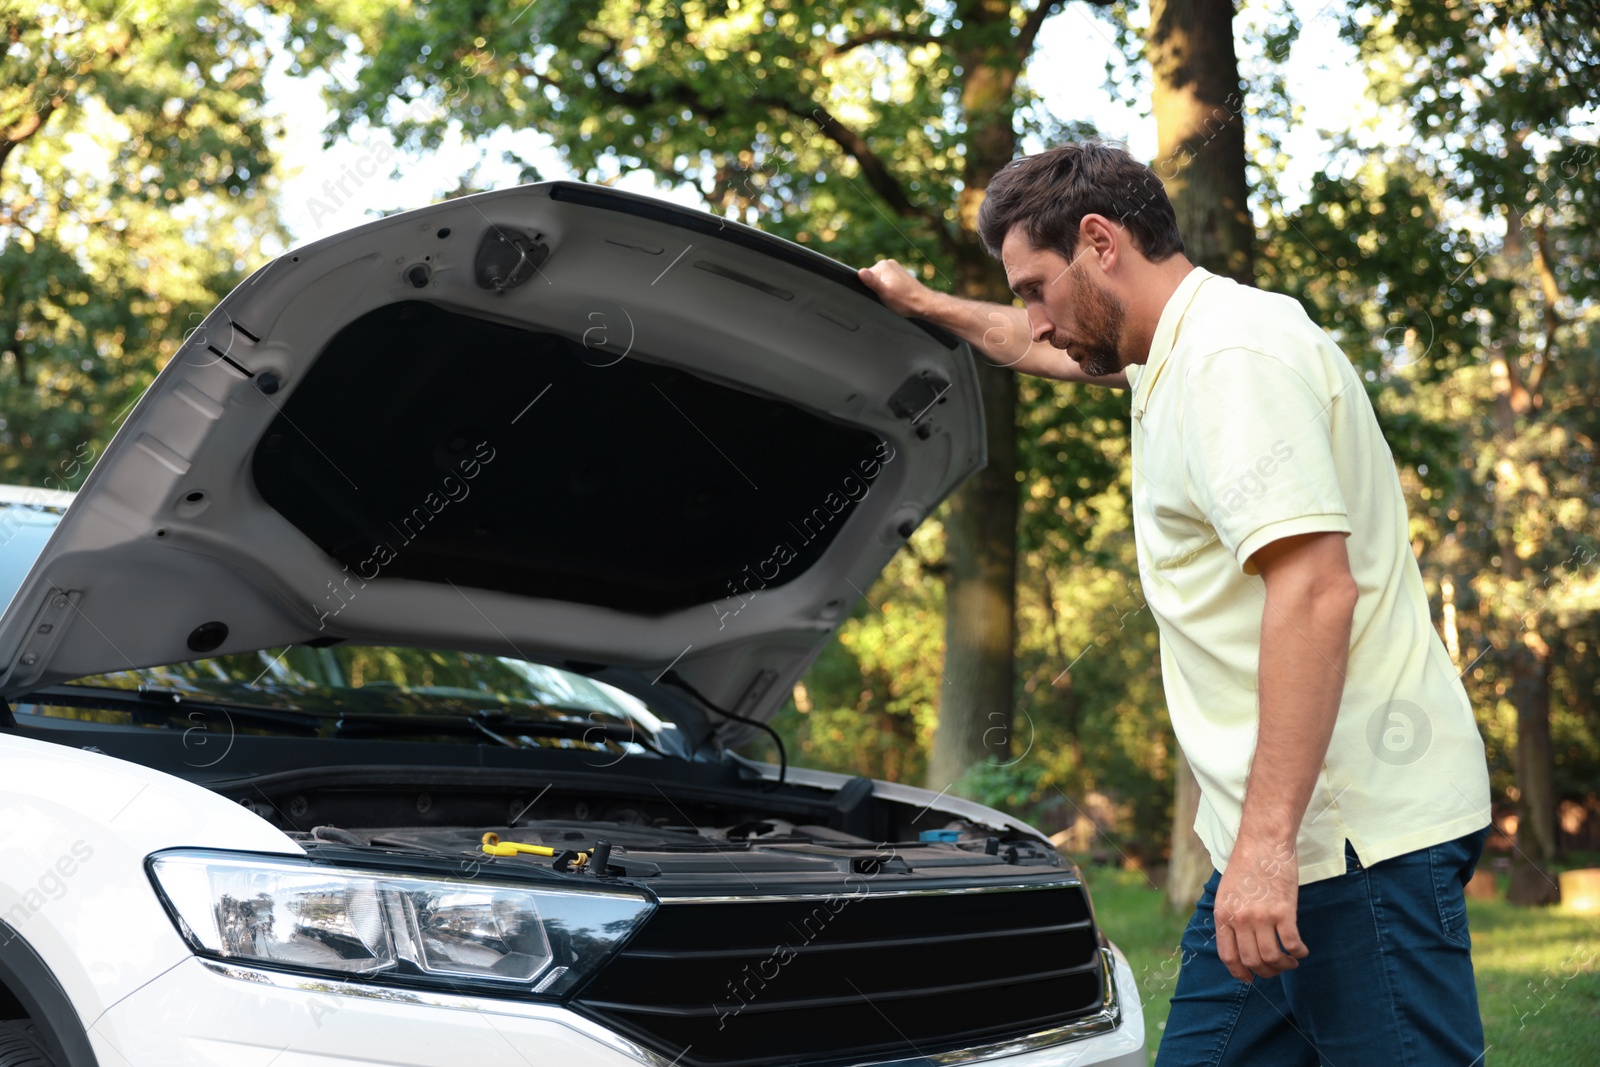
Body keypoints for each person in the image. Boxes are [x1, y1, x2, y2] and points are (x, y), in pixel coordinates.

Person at [859, 141, 1493, 1066]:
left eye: (1035, 286)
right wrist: (924, 305)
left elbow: (1315, 592)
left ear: (1099, 242)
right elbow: (1039, 349)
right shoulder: (1167, 350)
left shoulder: (1233, 360)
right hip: (1274, 845)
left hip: (1352, 844)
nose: (1033, 321)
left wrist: (1267, 850)